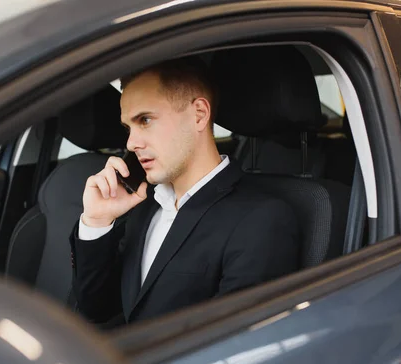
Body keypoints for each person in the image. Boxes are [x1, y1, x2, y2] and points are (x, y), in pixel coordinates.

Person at [70, 57, 300, 327]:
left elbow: (235, 347)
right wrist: (97, 222)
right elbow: (98, 312)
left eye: (145, 120)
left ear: (199, 114)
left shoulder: (261, 220)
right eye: (128, 128)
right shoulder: (143, 205)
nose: (131, 143)